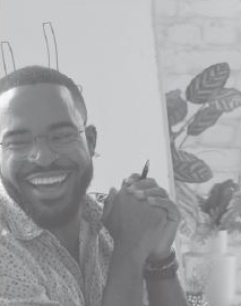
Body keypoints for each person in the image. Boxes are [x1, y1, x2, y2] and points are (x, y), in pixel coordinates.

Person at [0, 66, 188, 306]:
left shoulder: (109, 223)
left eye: (61, 136)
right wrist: (130, 247)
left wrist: (159, 259)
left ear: (90, 142)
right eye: (18, 142)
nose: (44, 157)